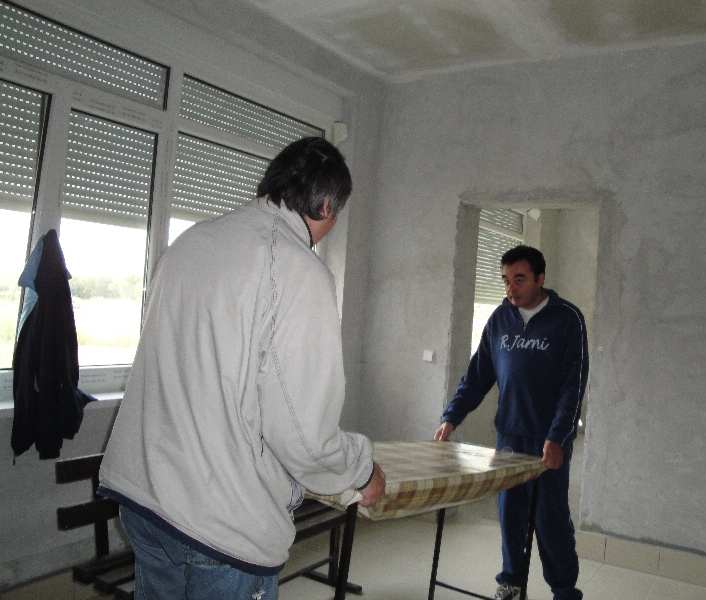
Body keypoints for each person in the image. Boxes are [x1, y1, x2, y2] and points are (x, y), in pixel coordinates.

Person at [99, 137, 385, 600]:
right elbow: (303, 432)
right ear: (326, 206)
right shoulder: (298, 269)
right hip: (218, 523)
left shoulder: (193, 241)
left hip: (144, 498)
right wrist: (362, 471)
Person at [434, 244, 588, 600]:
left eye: (519, 279)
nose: (510, 288)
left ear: (540, 278)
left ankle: (565, 591)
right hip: (509, 437)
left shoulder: (567, 319)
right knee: (511, 515)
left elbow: (574, 385)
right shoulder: (500, 319)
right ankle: (511, 583)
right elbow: (477, 376)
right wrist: (452, 417)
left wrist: (557, 436)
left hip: (549, 440)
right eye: (505, 280)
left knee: (550, 519)